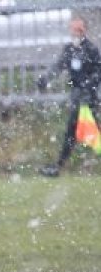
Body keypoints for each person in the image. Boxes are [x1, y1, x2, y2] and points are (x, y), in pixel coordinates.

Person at [37, 16, 101, 177]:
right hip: (77, 98)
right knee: (73, 132)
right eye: (73, 29)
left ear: (84, 30)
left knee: (87, 131)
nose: (76, 32)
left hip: (89, 98)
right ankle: (57, 167)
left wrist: (88, 87)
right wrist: (46, 78)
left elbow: (98, 72)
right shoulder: (69, 49)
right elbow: (58, 66)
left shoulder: (91, 50)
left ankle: (58, 167)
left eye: (79, 29)